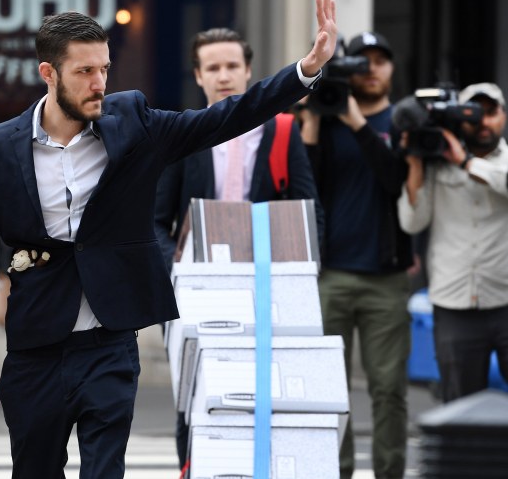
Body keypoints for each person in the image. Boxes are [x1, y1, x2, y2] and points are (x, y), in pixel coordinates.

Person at [0, 0, 337, 478]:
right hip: (35, 347)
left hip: (110, 341)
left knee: (105, 471)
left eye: (104, 69)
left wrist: (304, 71)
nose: (99, 83)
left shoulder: (132, 122)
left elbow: (224, 118)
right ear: (48, 74)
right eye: (84, 72)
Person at [153, 27, 324, 467]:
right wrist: (173, 279)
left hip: (266, 288)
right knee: (195, 399)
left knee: (266, 397)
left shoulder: (282, 132)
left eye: (232, 66)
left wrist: (304, 279)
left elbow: (308, 212)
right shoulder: (180, 135)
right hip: (195, 290)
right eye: (213, 68)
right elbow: (155, 221)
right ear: (198, 75)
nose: (224, 75)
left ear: (249, 71)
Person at [299, 31, 412, 479]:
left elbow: (396, 180)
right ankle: (336, 472)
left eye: (380, 61)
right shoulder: (325, 119)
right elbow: (304, 188)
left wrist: (359, 126)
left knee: (389, 389)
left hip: (386, 276)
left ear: (391, 69)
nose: (371, 70)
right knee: (331, 390)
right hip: (332, 275)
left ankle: (389, 473)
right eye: (362, 62)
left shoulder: (403, 122)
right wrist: (311, 123)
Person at [398, 82, 508, 403]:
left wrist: (465, 163)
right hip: (454, 305)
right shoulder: (436, 162)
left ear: (502, 116)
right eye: (473, 114)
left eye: (490, 113)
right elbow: (411, 222)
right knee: (459, 404)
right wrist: (416, 163)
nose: (483, 122)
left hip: (504, 298)